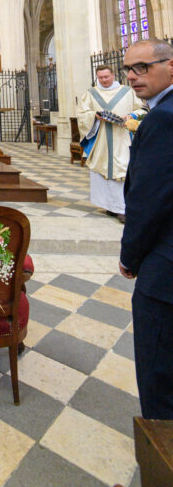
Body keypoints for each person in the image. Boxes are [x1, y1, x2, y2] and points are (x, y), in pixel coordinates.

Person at [119, 38, 173, 418]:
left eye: (142, 67)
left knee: (159, 375)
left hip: (165, 266)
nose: (132, 77)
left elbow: (150, 199)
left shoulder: (164, 118)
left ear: (170, 65)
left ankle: (162, 467)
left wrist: (130, 256)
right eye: (128, 69)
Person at [77, 64, 143, 223]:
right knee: (101, 169)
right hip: (101, 140)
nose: (104, 80)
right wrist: (94, 116)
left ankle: (123, 209)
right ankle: (110, 207)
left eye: (106, 77)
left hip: (122, 137)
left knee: (123, 171)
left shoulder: (127, 91)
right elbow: (82, 113)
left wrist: (131, 115)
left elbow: (143, 109)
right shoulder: (91, 93)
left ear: (113, 75)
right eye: (100, 77)